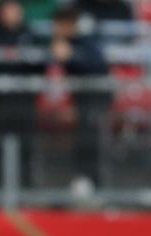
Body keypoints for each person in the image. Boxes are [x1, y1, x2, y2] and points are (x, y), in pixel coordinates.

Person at [0, 0, 45, 188]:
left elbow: (40, 65)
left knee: (26, 145)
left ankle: (27, 186)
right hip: (1, 99)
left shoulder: (29, 34)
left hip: (24, 99)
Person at [50, 5, 111, 197]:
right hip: (79, 100)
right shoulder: (66, 41)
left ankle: (93, 183)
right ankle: (84, 180)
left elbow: (97, 65)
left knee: (91, 142)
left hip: (94, 100)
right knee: (82, 140)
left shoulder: (87, 40)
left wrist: (71, 56)